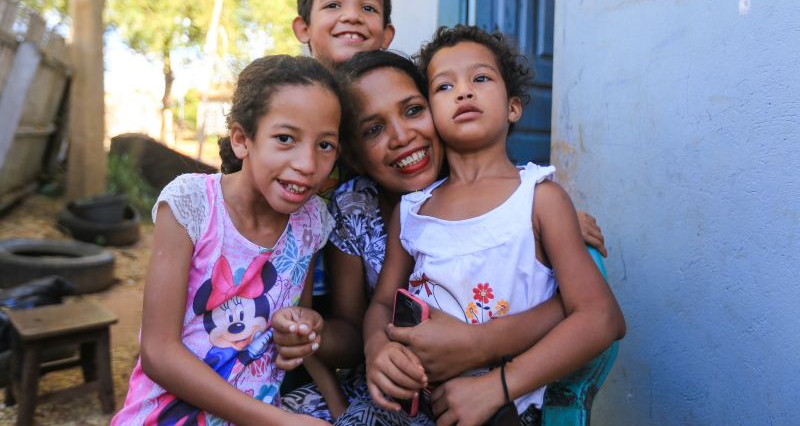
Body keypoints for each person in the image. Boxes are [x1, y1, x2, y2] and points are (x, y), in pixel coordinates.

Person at [278, 50, 609, 425]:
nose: (402, 136)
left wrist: (482, 346)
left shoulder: (522, 202)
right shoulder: (358, 208)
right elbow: (363, 322)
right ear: (351, 153)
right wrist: (369, 347)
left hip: (496, 397)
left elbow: (591, 311)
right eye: (373, 129)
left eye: (413, 110)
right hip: (399, 390)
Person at [362, 26, 626, 426]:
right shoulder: (413, 209)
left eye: (480, 79)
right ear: (432, 111)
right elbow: (382, 303)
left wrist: (499, 386)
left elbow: (601, 318)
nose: (464, 92)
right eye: (444, 87)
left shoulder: (539, 200)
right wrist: (376, 346)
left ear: (513, 107)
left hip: (507, 412)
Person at [111, 56, 348, 425]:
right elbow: (158, 352)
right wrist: (279, 421)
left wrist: (341, 413)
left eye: (326, 145)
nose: (307, 163)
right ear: (242, 140)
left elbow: (292, 328)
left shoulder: (311, 222)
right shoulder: (192, 204)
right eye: (285, 139)